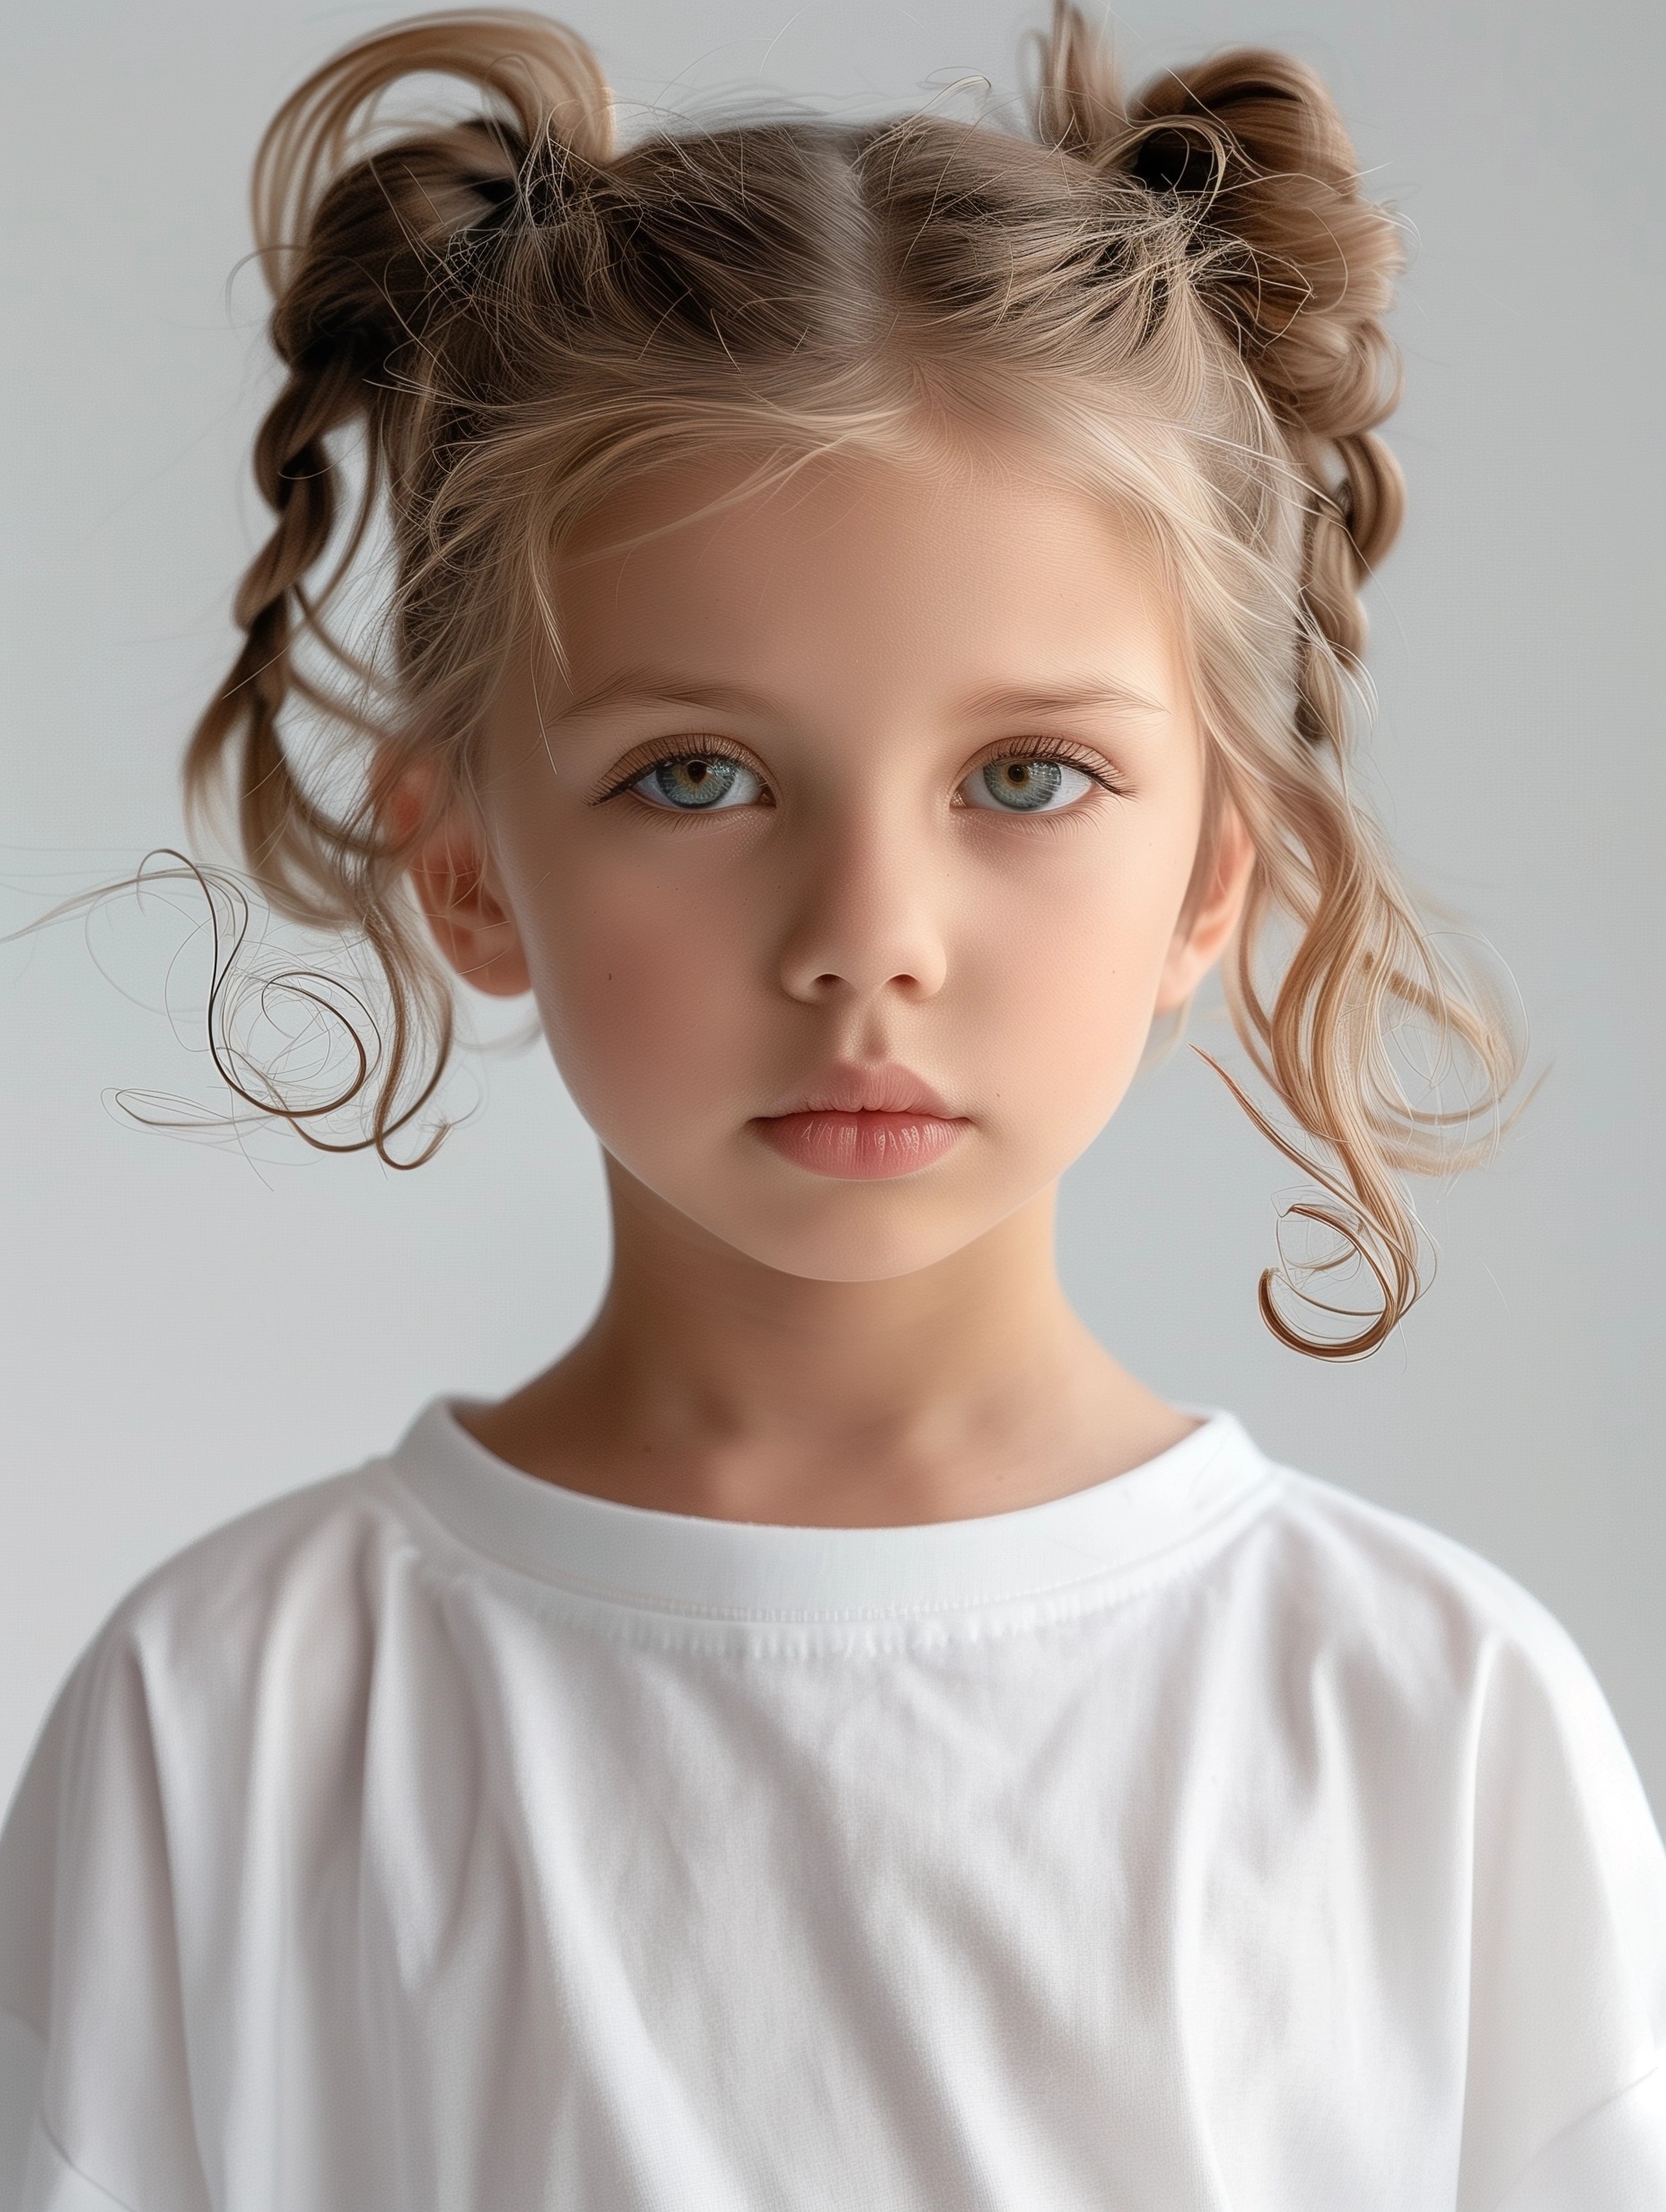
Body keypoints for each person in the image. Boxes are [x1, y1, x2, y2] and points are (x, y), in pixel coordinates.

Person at [2, 6, 1662, 2205]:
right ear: (471, 860)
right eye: (695, 774)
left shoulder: (1431, 1728)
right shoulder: (228, 1722)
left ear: (1209, 872)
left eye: (1025, 776)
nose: (867, 933)